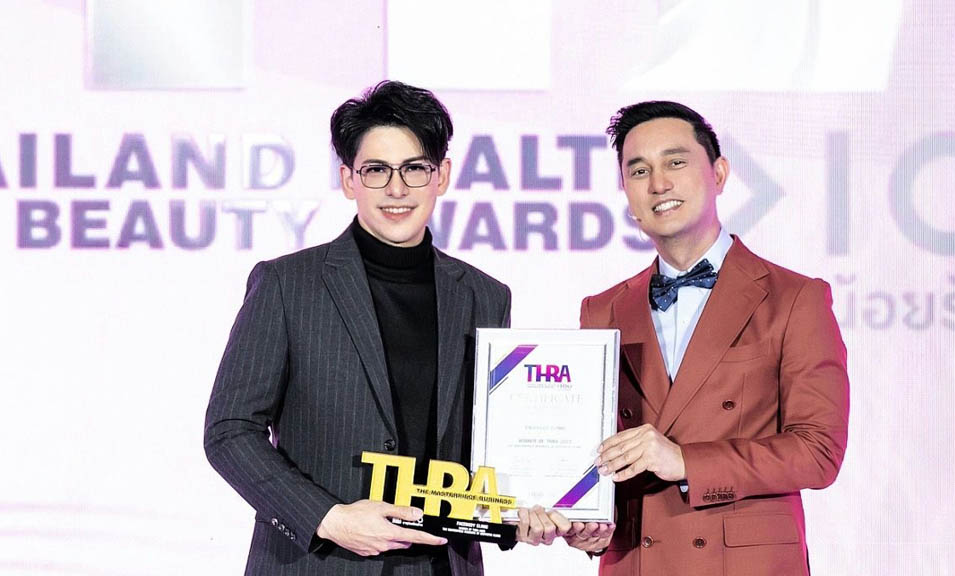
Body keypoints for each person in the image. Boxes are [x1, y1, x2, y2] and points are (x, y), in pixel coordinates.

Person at [204, 80, 514, 576]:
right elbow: (229, 430)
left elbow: (491, 447)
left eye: (415, 168)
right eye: (376, 170)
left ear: (442, 175)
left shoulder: (485, 295)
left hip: (440, 565)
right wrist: (328, 517)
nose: (397, 189)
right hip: (319, 561)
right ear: (349, 179)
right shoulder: (287, 284)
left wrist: (535, 509)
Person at [568, 101, 850, 575]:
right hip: (638, 562)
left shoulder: (795, 298)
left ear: (718, 174)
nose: (658, 184)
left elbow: (818, 451)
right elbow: (598, 457)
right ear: (627, 193)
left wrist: (685, 461)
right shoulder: (603, 310)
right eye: (639, 171)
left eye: (675, 162)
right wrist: (587, 523)